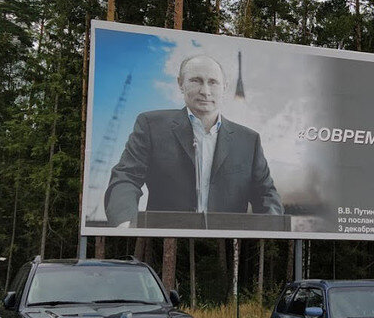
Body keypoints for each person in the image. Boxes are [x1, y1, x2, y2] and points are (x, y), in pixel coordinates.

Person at [104, 54, 283, 227]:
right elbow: (126, 178)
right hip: (165, 245)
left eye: (213, 82)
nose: (205, 91)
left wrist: (273, 230)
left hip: (224, 248)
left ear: (225, 87)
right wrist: (125, 223)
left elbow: (266, 195)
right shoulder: (151, 126)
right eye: (196, 80)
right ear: (180, 84)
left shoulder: (248, 141)